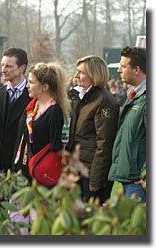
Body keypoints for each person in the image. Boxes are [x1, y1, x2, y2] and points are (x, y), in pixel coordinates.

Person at [66, 55, 119, 205]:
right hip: (78, 168)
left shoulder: (103, 101)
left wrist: (96, 179)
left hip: (91, 172)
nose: (76, 76)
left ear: (94, 74)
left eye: (81, 72)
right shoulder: (81, 97)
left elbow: (105, 143)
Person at [13, 62, 69, 185]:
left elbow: (56, 147)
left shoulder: (54, 111)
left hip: (41, 173)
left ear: (45, 87)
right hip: (25, 170)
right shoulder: (31, 108)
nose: (27, 86)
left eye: (31, 82)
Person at [0, 48, 31, 190]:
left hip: (22, 169)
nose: (3, 70)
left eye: (8, 66)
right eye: (2, 65)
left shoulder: (33, 96)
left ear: (22, 68)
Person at [108, 46, 146, 203]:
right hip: (130, 177)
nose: (119, 71)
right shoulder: (135, 96)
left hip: (139, 181)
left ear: (136, 69)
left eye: (123, 66)